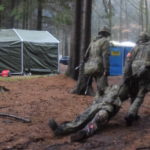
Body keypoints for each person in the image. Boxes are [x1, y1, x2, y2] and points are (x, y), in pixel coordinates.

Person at [49, 84, 126, 141]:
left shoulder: (121, 93)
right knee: (80, 120)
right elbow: (97, 96)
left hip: (107, 108)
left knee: (99, 117)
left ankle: (83, 133)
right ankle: (60, 129)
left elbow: (116, 107)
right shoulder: (107, 89)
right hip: (97, 106)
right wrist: (99, 93)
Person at [119, 32, 150, 126]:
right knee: (140, 95)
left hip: (134, 71)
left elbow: (128, 61)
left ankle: (134, 114)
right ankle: (131, 114)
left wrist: (126, 76)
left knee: (133, 92)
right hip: (146, 72)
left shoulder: (135, 47)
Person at [83, 26, 111, 96]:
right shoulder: (105, 41)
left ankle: (97, 99)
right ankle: (100, 102)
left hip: (91, 66)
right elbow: (105, 56)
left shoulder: (93, 41)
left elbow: (85, 55)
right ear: (106, 34)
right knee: (103, 88)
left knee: (99, 86)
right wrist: (106, 69)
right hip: (99, 66)